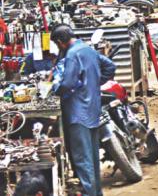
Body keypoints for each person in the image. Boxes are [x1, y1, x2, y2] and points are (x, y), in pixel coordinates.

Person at [51, 25, 115, 196]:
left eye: (57, 45)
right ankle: (97, 192)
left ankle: (90, 193)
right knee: (92, 156)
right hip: (93, 110)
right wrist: (93, 84)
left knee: (82, 158)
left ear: (60, 42)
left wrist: (54, 89)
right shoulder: (88, 49)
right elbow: (110, 66)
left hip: (77, 113)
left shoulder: (72, 54)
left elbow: (68, 84)